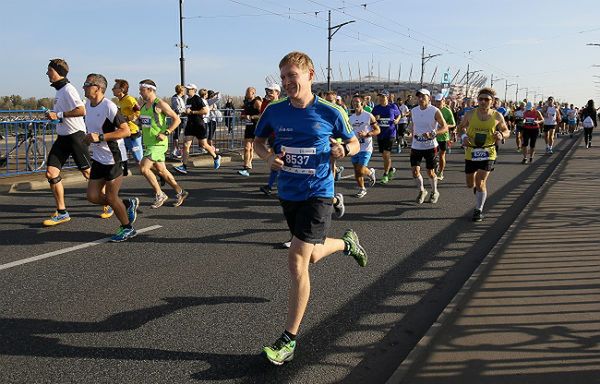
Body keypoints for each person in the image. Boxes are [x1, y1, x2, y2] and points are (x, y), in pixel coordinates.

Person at [253, 51, 367, 366]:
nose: (288, 82)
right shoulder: (274, 111)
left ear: (309, 75)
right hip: (288, 192)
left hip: (319, 192)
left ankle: (288, 340)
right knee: (313, 255)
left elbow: (354, 142)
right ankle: (347, 243)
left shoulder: (330, 111)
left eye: (293, 75)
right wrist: (266, 158)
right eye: (284, 77)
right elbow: (259, 142)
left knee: (296, 261)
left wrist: (345, 148)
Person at [82, 73, 138, 242]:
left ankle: (128, 228)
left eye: (86, 84)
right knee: (92, 196)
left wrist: (99, 137)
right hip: (99, 157)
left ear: (98, 88)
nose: (83, 87)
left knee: (112, 197)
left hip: (114, 157)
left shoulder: (109, 106)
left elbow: (125, 131)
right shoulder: (88, 105)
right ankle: (126, 204)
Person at [42, 58, 91, 226]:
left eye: (49, 70)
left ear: (58, 72)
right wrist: (53, 116)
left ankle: (109, 201)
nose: (47, 73)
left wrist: (60, 115)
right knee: (51, 173)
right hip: (63, 137)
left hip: (76, 137)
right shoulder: (59, 91)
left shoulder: (68, 89)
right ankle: (62, 212)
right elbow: (60, 115)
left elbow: (81, 110)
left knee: (88, 174)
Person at [457, 87, 510, 222]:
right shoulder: (470, 114)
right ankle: (476, 189)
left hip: (488, 151)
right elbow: (461, 127)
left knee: (480, 181)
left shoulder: (497, 115)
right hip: (471, 150)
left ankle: (478, 210)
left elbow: (506, 130)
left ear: (492, 102)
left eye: (486, 99)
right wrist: (463, 136)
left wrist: (501, 134)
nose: (483, 101)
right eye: (480, 99)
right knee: (470, 183)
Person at [137, 79, 188, 208]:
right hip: (149, 143)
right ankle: (180, 192)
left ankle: (160, 194)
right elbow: (144, 123)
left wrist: (166, 132)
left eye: (142, 90)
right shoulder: (143, 106)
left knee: (144, 168)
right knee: (162, 171)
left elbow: (177, 120)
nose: (140, 92)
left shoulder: (160, 104)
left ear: (150, 90)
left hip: (158, 144)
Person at [410, 89, 448, 204]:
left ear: (429, 98)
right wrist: (410, 136)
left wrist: (433, 133)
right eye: (419, 97)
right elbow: (413, 126)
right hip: (416, 145)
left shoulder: (434, 111)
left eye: (423, 97)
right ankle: (422, 191)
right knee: (415, 172)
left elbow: (445, 127)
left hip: (430, 146)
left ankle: (434, 191)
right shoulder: (414, 110)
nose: (420, 99)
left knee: (430, 172)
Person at [174, 86, 221, 174]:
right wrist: (185, 112)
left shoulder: (198, 99)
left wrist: (192, 112)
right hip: (190, 125)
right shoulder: (188, 100)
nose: (187, 90)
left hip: (199, 124)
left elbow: (205, 110)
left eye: (189, 89)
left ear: (194, 90)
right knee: (186, 145)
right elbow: (188, 110)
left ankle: (216, 157)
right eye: (186, 89)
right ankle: (184, 166)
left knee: (204, 145)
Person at [349, 94, 380, 198]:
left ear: (362, 103)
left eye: (357, 102)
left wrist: (367, 134)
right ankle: (362, 189)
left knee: (361, 169)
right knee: (356, 171)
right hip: (355, 147)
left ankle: (370, 172)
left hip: (366, 147)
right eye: (353, 102)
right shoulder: (351, 118)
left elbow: (377, 130)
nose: (355, 104)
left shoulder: (368, 115)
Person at [112, 79, 142, 177]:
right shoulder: (119, 100)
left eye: (115, 87)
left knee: (139, 161)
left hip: (133, 133)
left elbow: (138, 112)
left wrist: (126, 118)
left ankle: (160, 173)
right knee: (121, 154)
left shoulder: (129, 99)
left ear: (121, 90)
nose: (112, 89)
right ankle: (124, 171)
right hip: (124, 132)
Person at [372, 90, 401, 184]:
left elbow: (399, 114)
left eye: (383, 97)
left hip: (390, 133)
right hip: (380, 134)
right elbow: (371, 119)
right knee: (384, 156)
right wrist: (375, 119)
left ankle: (385, 174)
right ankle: (391, 169)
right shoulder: (376, 108)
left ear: (387, 97)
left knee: (386, 154)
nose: (381, 98)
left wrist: (397, 120)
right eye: (380, 97)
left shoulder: (393, 106)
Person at [258, 83, 282, 196]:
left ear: (278, 93)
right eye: (268, 91)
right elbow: (262, 116)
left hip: (282, 136)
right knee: (276, 160)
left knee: (279, 160)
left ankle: (271, 186)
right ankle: (271, 185)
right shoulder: (265, 104)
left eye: (271, 92)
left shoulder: (284, 104)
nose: (269, 94)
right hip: (271, 136)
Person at [238, 87, 262, 176]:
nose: (247, 93)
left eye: (248, 92)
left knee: (251, 147)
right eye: (246, 91)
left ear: (253, 93)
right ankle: (246, 165)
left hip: (256, 127)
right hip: (248, 127)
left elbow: (262, 114)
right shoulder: (246, 102)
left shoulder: (257, 102)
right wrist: (243, 116)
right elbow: (243, 114)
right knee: (247, 148)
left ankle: (247, 165)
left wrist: (251, 117)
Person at [432, 94, 455, 181]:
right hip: (433, 137)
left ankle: (440, 172)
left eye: (439, 101)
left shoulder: (447, 111)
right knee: (432, 156)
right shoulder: (433, 110)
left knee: (442, 155)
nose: (438, 103)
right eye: (436, 101)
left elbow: (453, 124)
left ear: (443, 100)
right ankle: (435, 166)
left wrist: (444, 126)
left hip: (443, 137)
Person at [170, 84, 187, 159]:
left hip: (181, 117)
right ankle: (175, 150)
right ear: (181, 91)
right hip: (178, 118)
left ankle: (177, 149)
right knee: (176, 133)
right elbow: (177, 109)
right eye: (184, 91)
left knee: (179, 133)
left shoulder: (180, 98)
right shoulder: (175, 98)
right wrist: (185, 110)